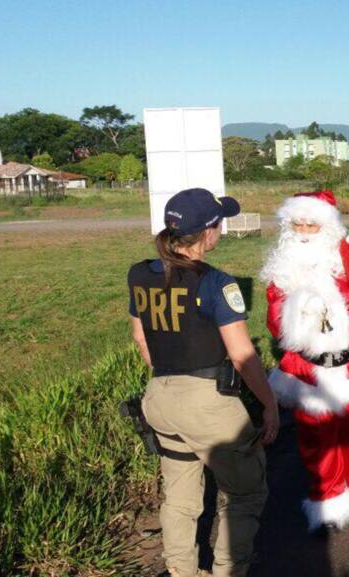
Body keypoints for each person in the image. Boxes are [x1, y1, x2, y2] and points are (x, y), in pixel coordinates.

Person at [128, 188, 279, 577]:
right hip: (207, 404)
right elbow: (242, 355)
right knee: (246, 491)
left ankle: (182, 571)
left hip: (159, 398)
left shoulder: (140, 274)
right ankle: (229, 570)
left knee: (179, 496)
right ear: (209, 232)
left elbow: (142, 340)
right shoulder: (217, 283)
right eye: (219, 223)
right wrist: (270, 405)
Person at [260, 190, 349, 534]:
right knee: (317, 440)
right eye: (299, 224)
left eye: (313, 224)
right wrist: (298, 312)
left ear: (327, 226)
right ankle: (328, 502)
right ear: (288, 226)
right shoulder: (282, 273)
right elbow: (275, 325)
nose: (305, 231)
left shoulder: (348, 259)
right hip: (310, 369)